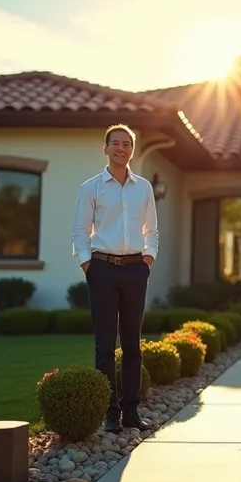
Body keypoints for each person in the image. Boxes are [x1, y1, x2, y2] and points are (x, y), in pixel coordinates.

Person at [72, 123, 159, 433]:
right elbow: (81, 231)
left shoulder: (144, 187)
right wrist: (87, 265)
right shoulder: (91, 187)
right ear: (105, 148)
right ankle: (110, 414)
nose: (121, 149)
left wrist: (147, 260)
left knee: (133, 345)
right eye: (116, 143)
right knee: (105, 346)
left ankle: (131, 412)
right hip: (102, 270)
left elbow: (152, 230)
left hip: (136, 270)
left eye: (127, 144)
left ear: (132, 150)